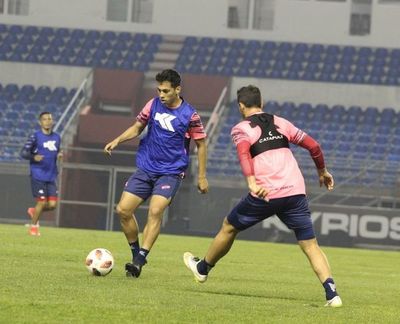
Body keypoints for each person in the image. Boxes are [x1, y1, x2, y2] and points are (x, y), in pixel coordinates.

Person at [183, 85, 342, 308]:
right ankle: (332, 294)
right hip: (295, 192)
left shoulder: (241, 128)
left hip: (266, 192)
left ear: (240, 106)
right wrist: (322, 171)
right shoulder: (281, 122)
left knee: (229, 226)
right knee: (310, 245)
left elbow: (243, 153)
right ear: (262, 102)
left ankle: (202, 269)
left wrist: (251, 181)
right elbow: (313, 146)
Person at [104, 69, 209, 278]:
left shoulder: (190, 115)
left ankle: (141, 259)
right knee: (123, 211)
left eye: (166, 91)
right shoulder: (152, 105)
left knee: (155, 211)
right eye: (159, 90)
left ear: (177, 90)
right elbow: (137, 127)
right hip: (146, 168)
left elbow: (201, 144)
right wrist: (117, 140)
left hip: (170, 172)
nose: (161, 94)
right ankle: (136, 255)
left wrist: (202, 176)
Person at [20, 111, 62, 236]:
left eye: (50, 119)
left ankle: (34, 211)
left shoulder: (57, 137)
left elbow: (57, 151)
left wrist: (59, 154)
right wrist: (34, 157)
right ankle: (33, 228)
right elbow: (23, 153)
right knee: (42, 202)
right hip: (38, 174)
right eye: (45, 119)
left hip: (51, 175)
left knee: (53, 205)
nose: (48, 121)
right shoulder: (35, 137)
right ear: (40, 122)